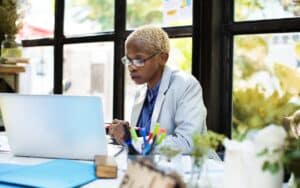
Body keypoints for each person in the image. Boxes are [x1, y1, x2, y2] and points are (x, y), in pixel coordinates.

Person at [109, 25, 207, 153]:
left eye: (139, 60)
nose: (131, 67)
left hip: (194, 168)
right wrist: (127, 132)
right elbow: (144, 139)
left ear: (162, 58)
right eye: (128, 60)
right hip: (152, 167)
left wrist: (130, 140)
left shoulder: (186, 85)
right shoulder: (141, 92)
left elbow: (187, 143)